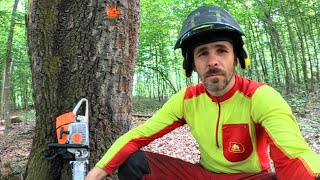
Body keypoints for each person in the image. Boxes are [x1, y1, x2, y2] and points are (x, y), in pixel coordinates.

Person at [86, 5, 320, 180]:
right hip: (203, 176)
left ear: (237, 58)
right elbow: (136, 137)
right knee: (133, 161)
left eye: (222, 51)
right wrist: (96, 172)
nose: (213, 61)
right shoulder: (187, 100)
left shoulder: (260, 96)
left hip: (253, 178)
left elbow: (293, 152)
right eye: (203, 53)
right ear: (191, 65)